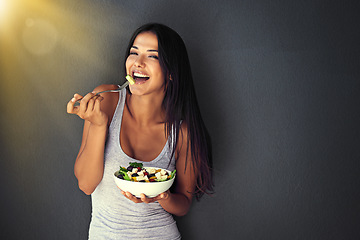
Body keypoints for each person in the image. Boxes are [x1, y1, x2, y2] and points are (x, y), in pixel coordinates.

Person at [67, 23, 214, 240]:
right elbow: (86, 185)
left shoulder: (182, 132)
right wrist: (98, 125)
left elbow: (183, 203)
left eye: (152, 56)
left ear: (171, 72)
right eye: (134, 53)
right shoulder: (106, 100)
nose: (138, 62)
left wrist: (162, 197)